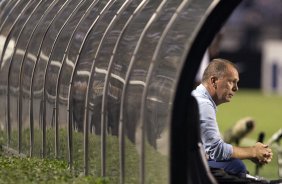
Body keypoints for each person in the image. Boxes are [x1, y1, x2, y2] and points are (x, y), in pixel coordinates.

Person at [192, 58, 273, 176]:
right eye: (231, 82)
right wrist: (252, 152)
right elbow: (216, 150)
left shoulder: (199, 98)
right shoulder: (204, 104)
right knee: (235, 166)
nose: (236, 88)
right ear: (214, 81)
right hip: (185, 167)